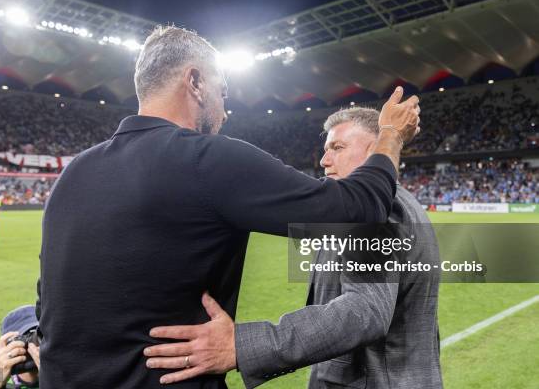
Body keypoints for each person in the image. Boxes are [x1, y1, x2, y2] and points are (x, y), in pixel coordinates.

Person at [37, 25, 420, 388]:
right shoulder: (207, 159)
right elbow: (358, 208)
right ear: (196, 82)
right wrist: (389, 136)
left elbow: (47, 304)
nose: (225, 110)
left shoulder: (74, 173)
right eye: (223, 92)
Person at [145, 107, 441, 388]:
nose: (324, 160)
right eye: (326, 149)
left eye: (337, 148)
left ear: (376, 148)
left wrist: (241, 346)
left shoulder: (379, 211)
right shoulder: (397, 205)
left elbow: (364, 311)